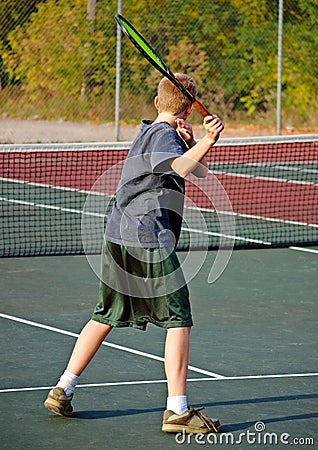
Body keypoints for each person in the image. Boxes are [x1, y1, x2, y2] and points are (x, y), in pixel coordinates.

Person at [44, 73, 224, 434]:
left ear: (157, 102)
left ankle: (63, 388)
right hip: (147, 241)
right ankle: (177, 411)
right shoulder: (163, 137)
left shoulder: (151, 131)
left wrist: (197, 142)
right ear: (188, 107)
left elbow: (197, 171)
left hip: (118, 235)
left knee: (105, 314)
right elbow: (180, 167)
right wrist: (208, 138)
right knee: (179, 320)